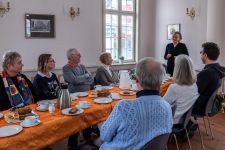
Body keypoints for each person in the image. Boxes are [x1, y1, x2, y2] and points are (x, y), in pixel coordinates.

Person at [100, 57, 173, 150]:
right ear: (161, 80)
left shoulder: (124, 106)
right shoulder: (167, 106)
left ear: (137, 80)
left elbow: (104, 136)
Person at [163, 55, 199, 124]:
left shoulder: (174, 88)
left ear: (177, 69)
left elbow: (161, 106)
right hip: (185, 119)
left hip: (173, 120)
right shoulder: (194, 85)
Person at [192, 42, 225, 115]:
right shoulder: (219, 70)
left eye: (201, 53)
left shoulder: (206, 73)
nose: (201, 55)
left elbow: (193, 92)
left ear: (205, 55)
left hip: (199, 107)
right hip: (208, 106)